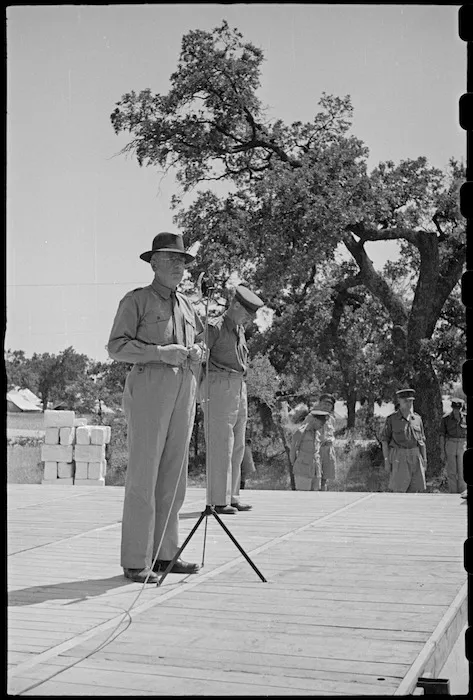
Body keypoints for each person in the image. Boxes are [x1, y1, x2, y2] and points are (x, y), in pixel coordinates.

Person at [107, 231, 205, 584]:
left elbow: (201, 342)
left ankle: (166, 554)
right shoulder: (137, 301)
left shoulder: (189, 305)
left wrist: (197, 352)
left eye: (182, 261)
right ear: (154, 264)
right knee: (144, 475)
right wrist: (159, 353)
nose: (180, 267)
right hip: (150, 386)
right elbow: (116, 347)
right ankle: (136, 560)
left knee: (174, 477)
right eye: (172, 260)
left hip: (184, 388)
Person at [200, 285, 264, 514]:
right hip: (218, 385)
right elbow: (199, 356)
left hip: (238, 385)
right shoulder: (215, 327)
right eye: (247, 314)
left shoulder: (238, 330)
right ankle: (217, 500)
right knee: (221, 445)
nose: (249, 319)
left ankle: (232, 496)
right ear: (235, 305)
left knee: (237, 444)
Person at [380, 388, 427, 493]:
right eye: (406, 401)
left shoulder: (417, 419)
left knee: (415, 490)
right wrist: (387, 460)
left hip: (415, 455)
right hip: (399, 455)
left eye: (411, 401)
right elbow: (384, 441)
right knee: (399, 489)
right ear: (399, 402)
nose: (409, 403)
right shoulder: (392, 419)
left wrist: (424, 459)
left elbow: (422, 442)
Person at [289, 408, 330, 491]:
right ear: (314, 420)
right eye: (321, 423)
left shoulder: (317, 433)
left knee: (315, 497)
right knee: (302, 496)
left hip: (316, 470)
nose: (322, 426)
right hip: (303, 469)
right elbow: (293, 450)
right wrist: (296, 464)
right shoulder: (301, 432)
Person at [440, 398, 467, 494]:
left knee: (462, 470)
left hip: (462, 444)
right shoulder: (446, 419)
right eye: (455, 408)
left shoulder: (465, 417)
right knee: (451, 471)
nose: (457, 411)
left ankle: (463, 492)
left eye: (458, 409)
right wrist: (442, 451)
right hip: (450, 443)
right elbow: (442, 435)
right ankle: (453, 493)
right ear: (452, 408)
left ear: (461, 408)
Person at [317, 393, 337, 491]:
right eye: (324, 403)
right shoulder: (312, 417)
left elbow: (332, 434)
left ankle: (323, 495)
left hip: (328, 449)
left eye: (329, 404)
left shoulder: (332, 419)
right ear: (319, 404)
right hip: (317, 449)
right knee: (316, 476)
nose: (326, 406)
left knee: (326, 477)